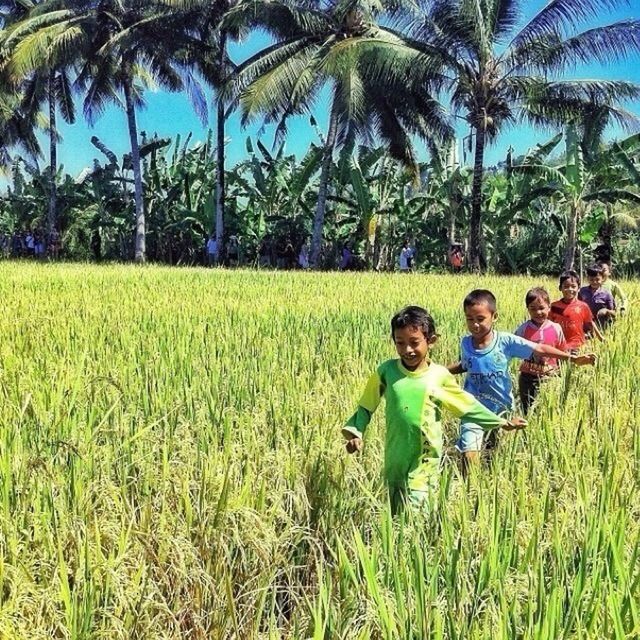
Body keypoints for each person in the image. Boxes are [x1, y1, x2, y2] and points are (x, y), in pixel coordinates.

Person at [342, 306, 526, 513]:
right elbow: (367, 404)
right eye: (400, 343)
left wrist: (501, 422)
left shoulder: (439, 376)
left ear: (431, 340)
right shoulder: (387, 371)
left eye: (414, 342)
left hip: (425, 457)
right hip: (395, 454)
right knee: (394, 508)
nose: (407, 350)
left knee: (417, 511)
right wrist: (356, 432)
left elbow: (466, 405)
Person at [448, 289, 595, 469]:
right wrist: (438, 371)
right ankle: (471, 489)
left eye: (480, 319)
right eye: (470, 319)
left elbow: (539, 349)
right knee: (470, 456)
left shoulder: (506, 342)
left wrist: (571, 359)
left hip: (501, 410)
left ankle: (490, 482)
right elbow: (465, 365)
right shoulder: (465, 343)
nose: (475, 325)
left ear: (494, 317)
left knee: (496, 454)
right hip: (473, 409)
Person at [515, 288, 567, 414]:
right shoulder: (523, 329)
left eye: (542, 308)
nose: (538, 312)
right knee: (527, 410)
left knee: (547, 411)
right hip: (528, 377)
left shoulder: (556, 328)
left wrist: (561, 373)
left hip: (550, 377)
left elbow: (562, 351)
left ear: (549, 307)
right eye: (533, 308)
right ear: (527, 309)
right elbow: (513, 347)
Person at [550, 270, 604, 351]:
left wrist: (600, 338)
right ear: (560, 288)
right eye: (566, 286)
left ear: (579, 288)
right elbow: (548, 325)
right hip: (560, 347)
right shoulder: (554, 306)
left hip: (578, 346)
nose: (569, 289)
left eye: (573, 286)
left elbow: (590, 323)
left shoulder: (583, 306)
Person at [578, 263, 616, 328]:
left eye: (597, 279)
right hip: (586, 326)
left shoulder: (607, 294)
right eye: (591, 280)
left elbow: (614, 313)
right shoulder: (582, 291)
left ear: (602, 279)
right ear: (587, 278)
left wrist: (606, 311)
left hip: (602, 326)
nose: (594, 282)